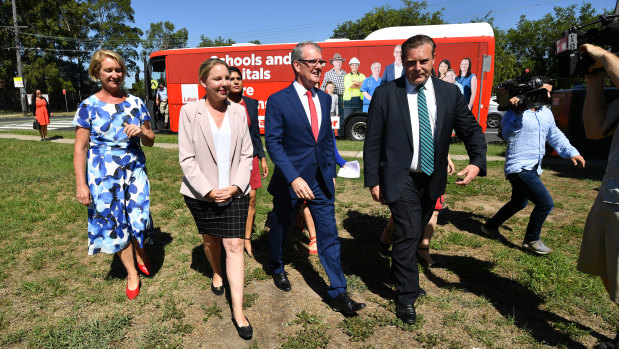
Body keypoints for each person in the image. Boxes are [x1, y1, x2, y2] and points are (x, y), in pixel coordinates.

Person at [364, 35, 487, 324]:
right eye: (411, 62)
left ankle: (402, 271)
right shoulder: (385, 94)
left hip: (432, 179)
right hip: (399, 177)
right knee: (407, 232)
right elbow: (373, 141)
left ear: (434, 59)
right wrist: (373, 180)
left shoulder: (449, 93)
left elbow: (470, 129)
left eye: (423, 61)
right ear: (402, 62)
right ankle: (407, 295)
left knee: (417, 231)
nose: (417, 67)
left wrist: (477, 161)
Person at [264, 41, 366, 315]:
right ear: (297, 65)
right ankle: (276, 265)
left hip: (321, 180)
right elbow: (273, 144)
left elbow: (325, 138)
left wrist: (334, 165)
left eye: (321, 61)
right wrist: (294, 178)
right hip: (291, 181)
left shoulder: (324, 98)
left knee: (328, 234)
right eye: (314, 62)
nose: (320, 66)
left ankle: (338, 291)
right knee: (282, 227)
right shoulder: (278, 100)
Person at [178, 58, 254, 340]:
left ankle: (238, 310)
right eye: (217, 79)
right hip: (202, 194)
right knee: (210, 241)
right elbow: (186, 158)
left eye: (227, 78)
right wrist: (208, 190)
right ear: (204, 83)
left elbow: (246, 154)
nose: (224, 84)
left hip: (235, 191)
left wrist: (236, 186)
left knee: (233, 244)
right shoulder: (189, 112)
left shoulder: (239, 112)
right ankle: (216, 272)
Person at [73, 49, 155, 300]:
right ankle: (132, 272)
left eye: (118, 70)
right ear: (97, 72)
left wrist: (140, 131)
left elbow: (151, 140)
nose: (115, 75)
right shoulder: (88, 106)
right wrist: (81, 184)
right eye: (109, 70)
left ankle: (140, 248)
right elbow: (80, 147)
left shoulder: (136, 102)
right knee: (115, 224)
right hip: (103, 175)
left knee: (140, 216)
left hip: (134, 170)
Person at [481, 80, 585, 255]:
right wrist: (516, 112)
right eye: (546, 92)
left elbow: (555, 135)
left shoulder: (546, 113)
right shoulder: (514, 111)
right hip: (518, 167)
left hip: (533, 167)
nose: (549, 96)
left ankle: (490, 227)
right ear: (532, 91)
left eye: (550, 92)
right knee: (545, 204)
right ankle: (531, 239)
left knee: (519, 202)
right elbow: (507, 135)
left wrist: (571, 152)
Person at [576, 43, 619, 348]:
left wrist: (605, 56)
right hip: (610, 194)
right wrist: (594, 81)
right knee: (605, 269)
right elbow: (594, 129)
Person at [379, 155, 456, 266]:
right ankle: (387, 236)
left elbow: (439, 138)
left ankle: (423, 249)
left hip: (435, 168)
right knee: (404, 210)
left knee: (435, 209)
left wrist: (447, 157)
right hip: (409, 167)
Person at [227, 66, 269, 258]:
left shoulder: (251, 104)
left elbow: (255, 135)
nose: (236, 81)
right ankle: (230, 238)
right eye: (232, 78)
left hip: (250, 157)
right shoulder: (219, 104)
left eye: (239, 78)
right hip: (228, 160)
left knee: (251, 199)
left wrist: (262, 158)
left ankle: (247, 239)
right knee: (231, 200)